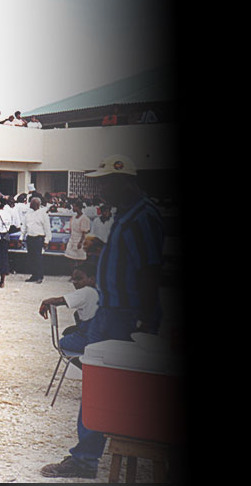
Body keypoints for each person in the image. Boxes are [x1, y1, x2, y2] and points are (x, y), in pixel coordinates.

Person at [41, 155, 165, 479]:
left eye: (105, 182)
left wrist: (147, 320)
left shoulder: (143, 217)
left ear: (123, 181)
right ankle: (89, 456)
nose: (101, 188)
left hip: (124, 315)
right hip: (113, 312)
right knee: (101, 386)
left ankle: (87, 459)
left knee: (103, 386)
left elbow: (150, 271)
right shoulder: (129, 215)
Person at [39, 263, 99, 331]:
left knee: (64, 341)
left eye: (79, 279)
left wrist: (45, 302)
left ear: (92, 279)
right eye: (73, 279)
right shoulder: (97, 292)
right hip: (94, 329)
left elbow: (60, 300)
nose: (75, 282)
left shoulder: (86, 291)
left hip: (89, 332)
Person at [24, 196, 50, 283]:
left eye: (31, 203)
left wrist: (46, 241)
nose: (30, 204)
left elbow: (47, 229)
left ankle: (39, 276)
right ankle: (34, 275)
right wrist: (21, 237)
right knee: (31, 258)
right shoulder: (28, 214)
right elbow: (24, 226)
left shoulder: (43, 214)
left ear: (37, 204)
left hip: (39, 238)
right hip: (30, 238)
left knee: (38, 258)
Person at [64, 200, 92, 264]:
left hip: (80, 240)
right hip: (72, 239)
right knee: (69, 257)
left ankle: (78, 271)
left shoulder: (84, 218)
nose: (73, 208)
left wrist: (80, 242)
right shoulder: (73, 217)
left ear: (78, 207)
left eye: (74, 206)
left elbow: (84, 232)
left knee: (80, 259)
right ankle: (73, 272)